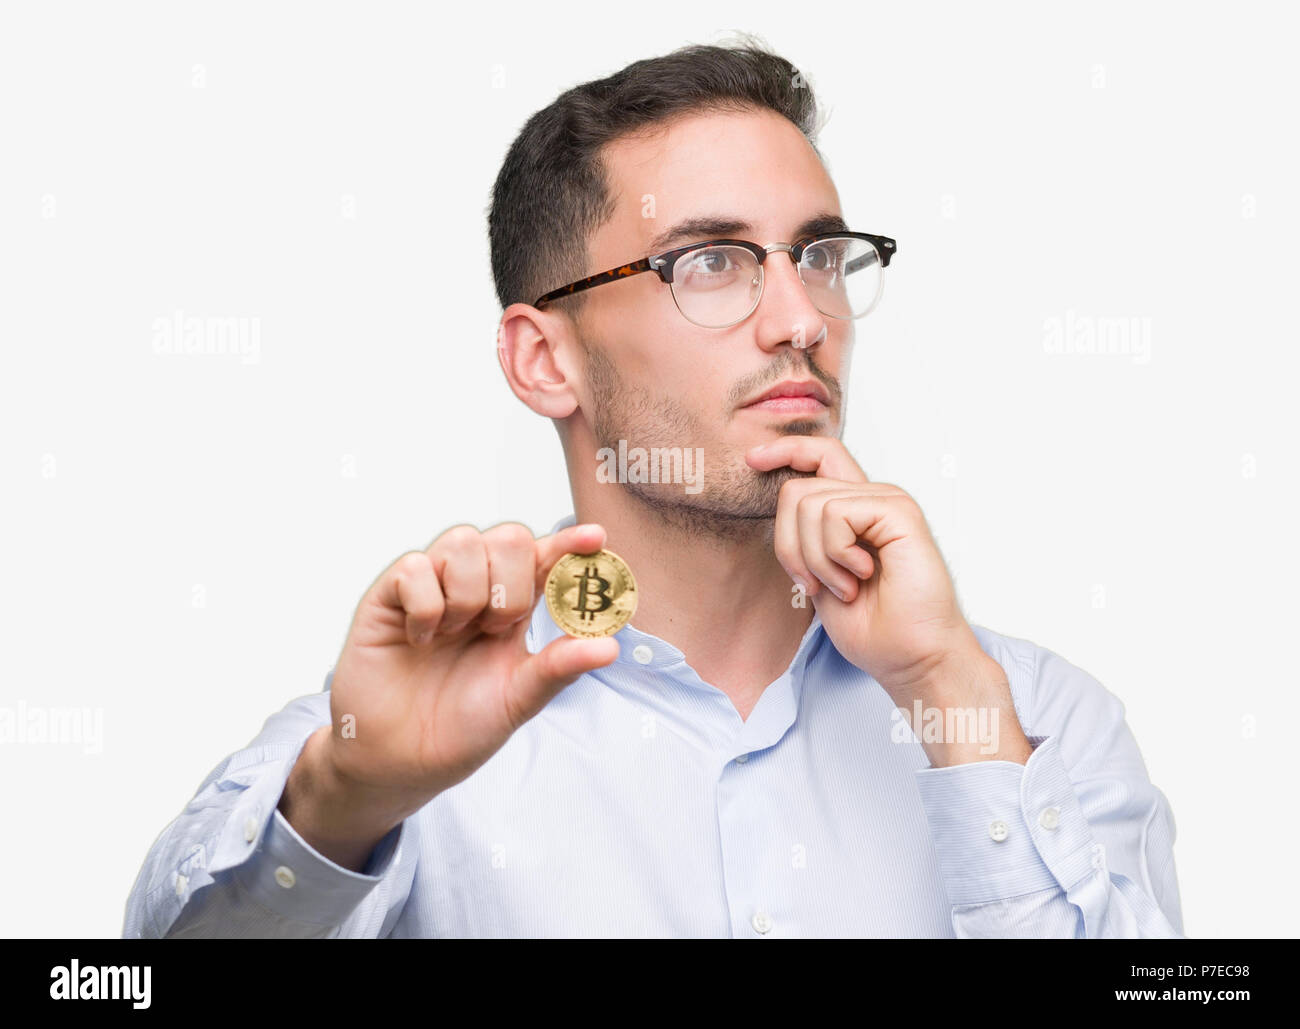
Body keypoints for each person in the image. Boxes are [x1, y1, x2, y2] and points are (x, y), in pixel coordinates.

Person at [123, 37, 1183, 938]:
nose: (800, 320)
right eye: (711, 262)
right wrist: (347, 798)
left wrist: (948, 695)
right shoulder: (393, 747)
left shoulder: (1031, 717)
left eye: (816, 256)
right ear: (545, 360)